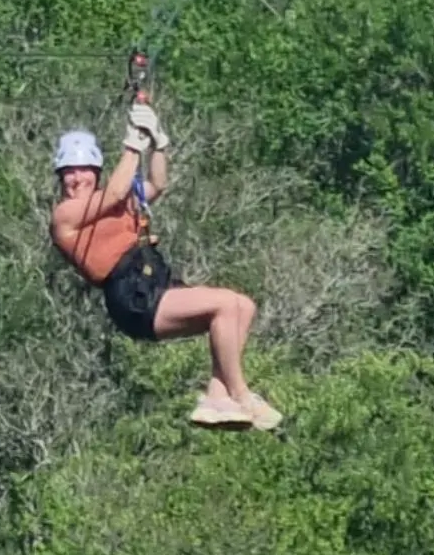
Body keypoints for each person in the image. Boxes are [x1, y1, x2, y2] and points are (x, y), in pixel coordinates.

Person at [50, 107, 284, 432]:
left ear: (96, 171)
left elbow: (157, 184)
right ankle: (241, 394)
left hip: (155, 284)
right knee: (225, 304)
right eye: (68, 172)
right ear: (60, 177)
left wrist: (159, 143)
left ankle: (217, 397)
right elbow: (117, 190)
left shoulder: (117, 205)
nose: (76, 179)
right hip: (131, 296)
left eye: (83, 171)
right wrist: (133, 145)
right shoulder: (66, 216)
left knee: (243, 306)